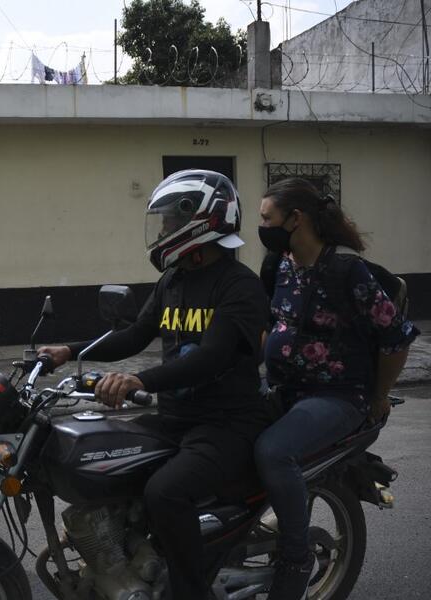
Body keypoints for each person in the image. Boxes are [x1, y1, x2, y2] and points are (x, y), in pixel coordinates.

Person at [39, 170, 271, 600]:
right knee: (106, 457)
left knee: (165, 492)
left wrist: (137, 379)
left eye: (168, 221)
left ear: (201, 221)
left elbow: (212, 357)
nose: (163, 230)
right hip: (176, 418)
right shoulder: (174, 280)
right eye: (161, 221)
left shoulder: (239, 286)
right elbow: (134, 334)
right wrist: (69, 352)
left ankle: (189, 591)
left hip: (227, 424)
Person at [254, 178, 419, 600]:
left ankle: (295, 557)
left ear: (297, 219)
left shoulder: (347, 270)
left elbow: (396, 339)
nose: (263, 228)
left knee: (274, 450)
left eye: (267, 219)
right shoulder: (279, 265)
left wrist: (379, 397)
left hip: (338, 396)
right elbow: (271, 323)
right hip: (284, 389)